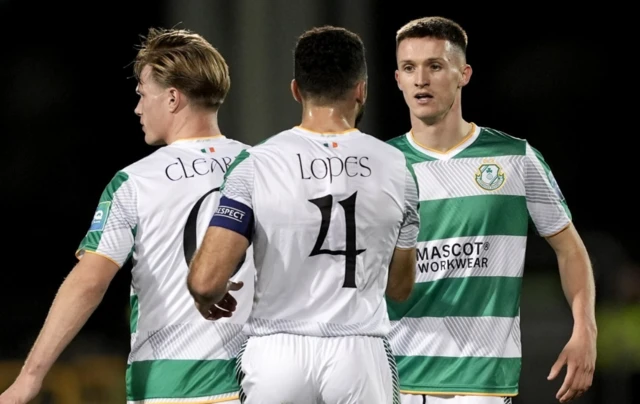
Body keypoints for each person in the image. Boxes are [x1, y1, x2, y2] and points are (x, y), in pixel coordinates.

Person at [0, 28, 253, 404]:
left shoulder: (136, 182)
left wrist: (29, 378)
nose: (137, 108)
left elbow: (89, 282)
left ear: (171, 98)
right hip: (256, 379)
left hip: (171, 386)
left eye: (141, 94)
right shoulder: (263, 166)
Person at [186, 25, 419, 404]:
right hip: (358, 350)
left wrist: (207, 296)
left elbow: (205, 281)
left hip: (277, 354)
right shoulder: (397, 167)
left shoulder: (256, 164)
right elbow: (399, 289)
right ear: (361, 89)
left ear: (296, 89)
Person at [386, 16, 597, 404]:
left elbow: (570, 249)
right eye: (409, 68)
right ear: (397, 78)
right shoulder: (380, 164)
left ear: (463, 74)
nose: (421, 80)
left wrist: (585, 331)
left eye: (435, 66)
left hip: (480, 384)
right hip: (392, 378)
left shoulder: (516, 158)